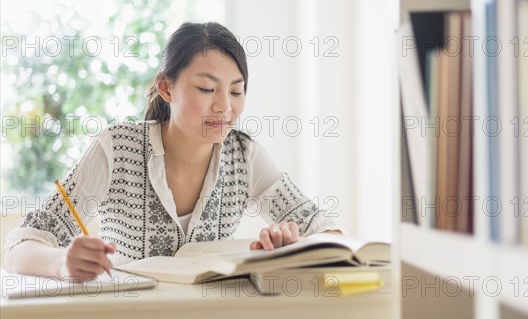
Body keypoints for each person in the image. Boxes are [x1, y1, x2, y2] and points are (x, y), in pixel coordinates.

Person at [4, 22, 340, 281]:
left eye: (236, 92)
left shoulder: (244, 155)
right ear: (166, 87)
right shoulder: (116, 148)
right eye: (207, 88)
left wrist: (290, 249)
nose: (224, 106)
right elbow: (20, 247)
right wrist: (63, 262)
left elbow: (329, 234)